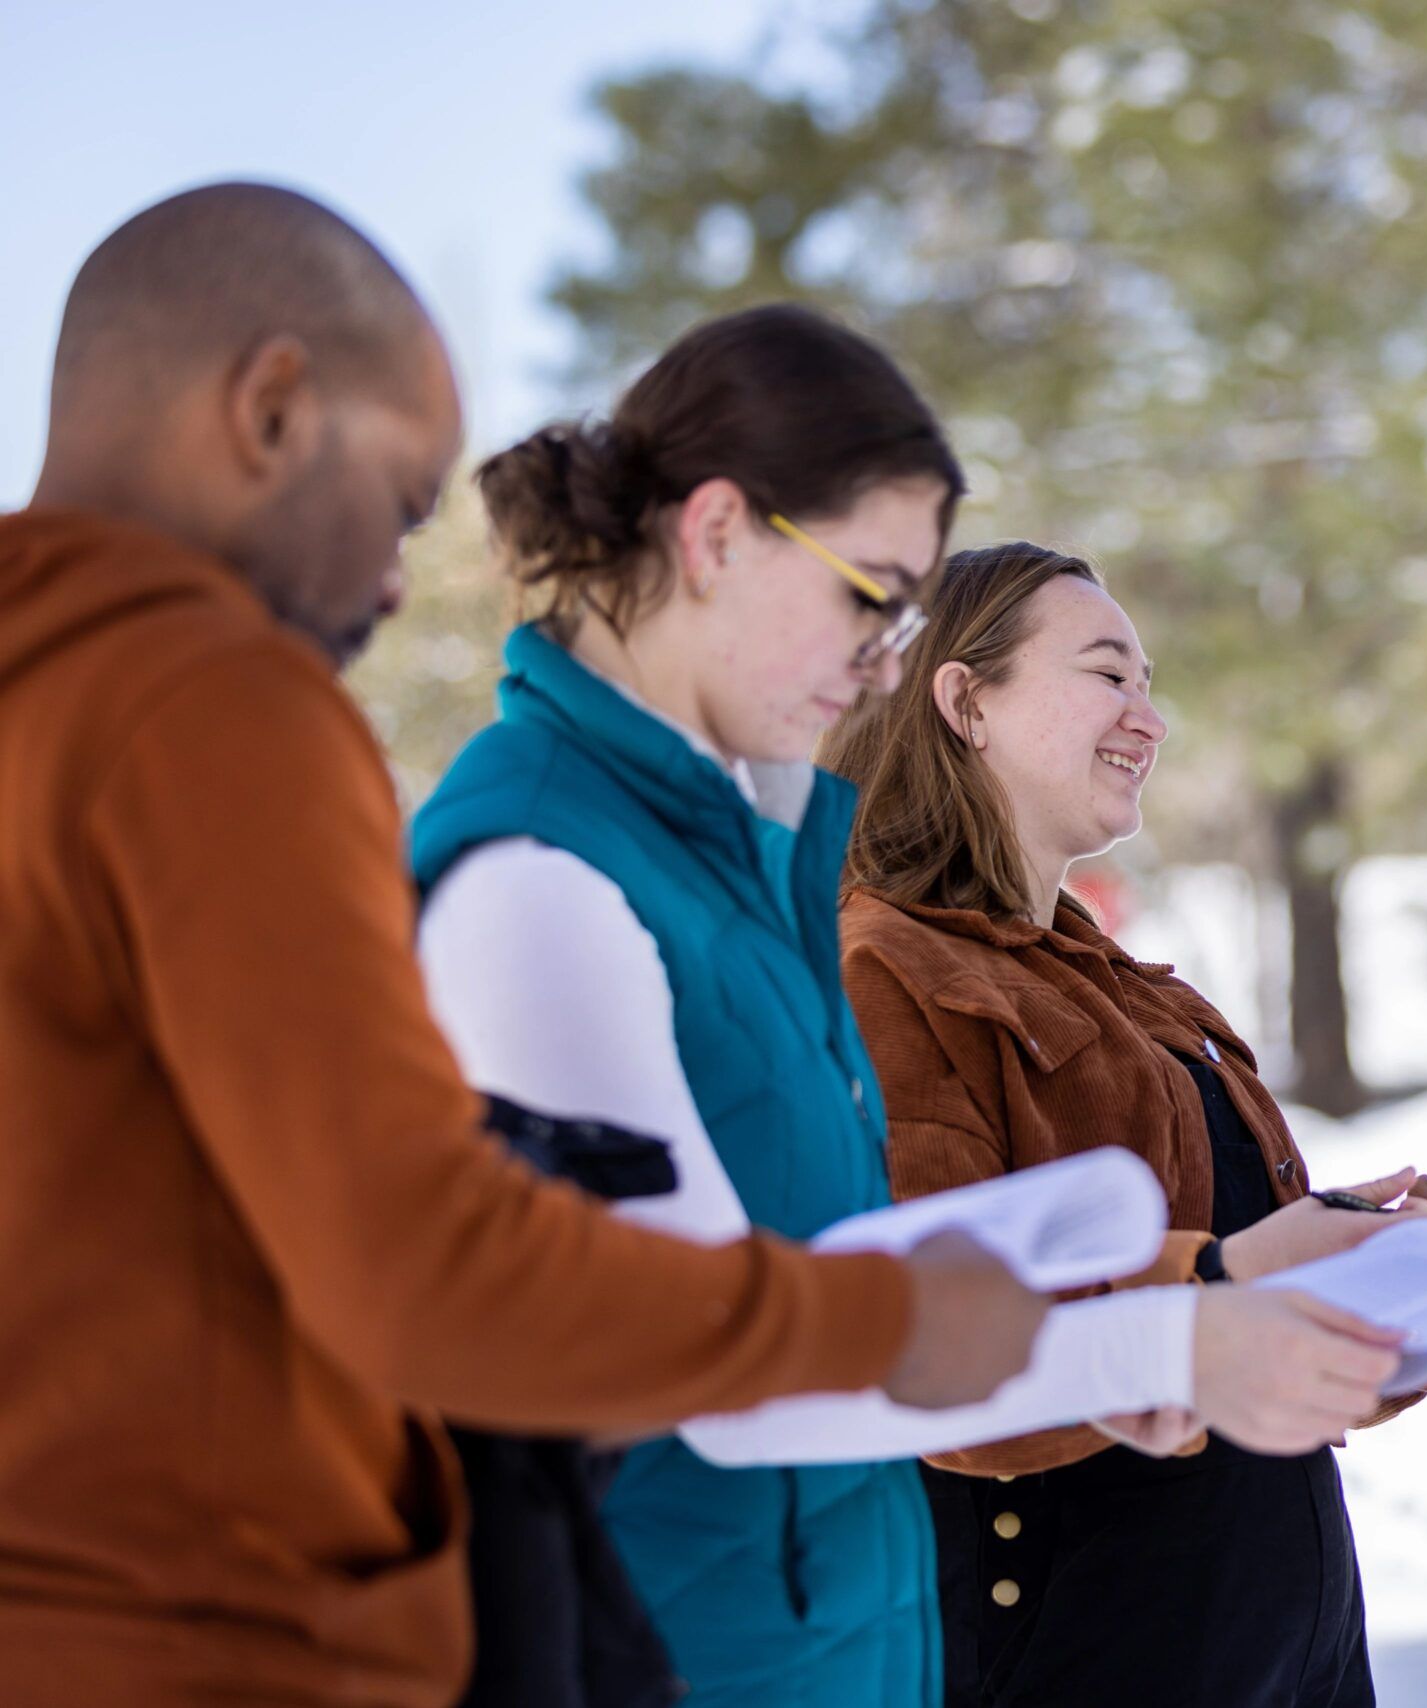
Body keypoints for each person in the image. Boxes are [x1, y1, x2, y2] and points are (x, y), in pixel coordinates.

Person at [0, 183, 1044, 1708]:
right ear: (273, 405)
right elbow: (416, 1267)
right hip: (206, 1636)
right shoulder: (204, 701)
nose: (388, 583)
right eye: (399, 504)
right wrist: (883, 1323)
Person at [413, 306, 1411, 1708]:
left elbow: (825, 1287)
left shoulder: (725, 873)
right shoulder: (546, 868)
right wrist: (1163, 1323)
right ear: (713, 537)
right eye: (872, 591)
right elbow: (691, 1351)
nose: (890, 660)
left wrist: (1109, 1311)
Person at [822, 541, 1427, 1708]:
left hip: (1281, 1643)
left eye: (1149, 683)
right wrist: (1211, 1282)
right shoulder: (881, 973)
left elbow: (1263, 1275)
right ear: (965, 701)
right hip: (1077, 1651)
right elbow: (924, 1335)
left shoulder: (1138, 992)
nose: (1148, 720)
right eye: (1109, 675)